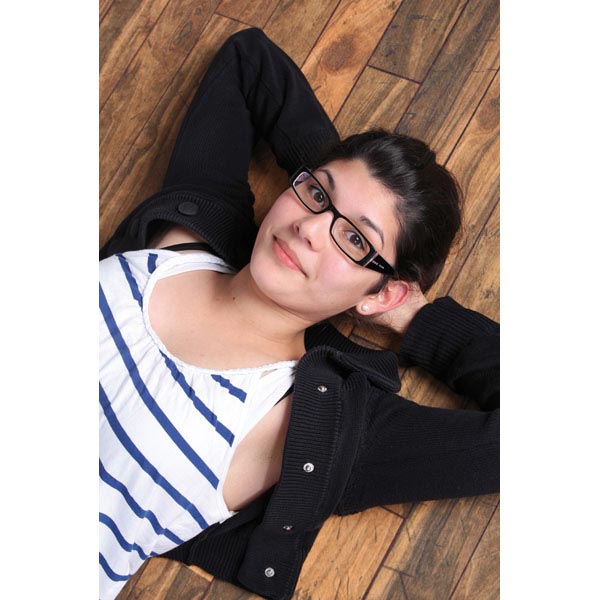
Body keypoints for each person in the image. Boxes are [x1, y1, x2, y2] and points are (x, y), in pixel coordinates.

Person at [99, 28, 499, 600]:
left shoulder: (314, 426)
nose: (309, 229)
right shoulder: (189, 232)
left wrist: (417, 320)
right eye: (316, 194)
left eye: (355, 240)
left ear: (383, 292)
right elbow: (249, 60)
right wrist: (343, 181)